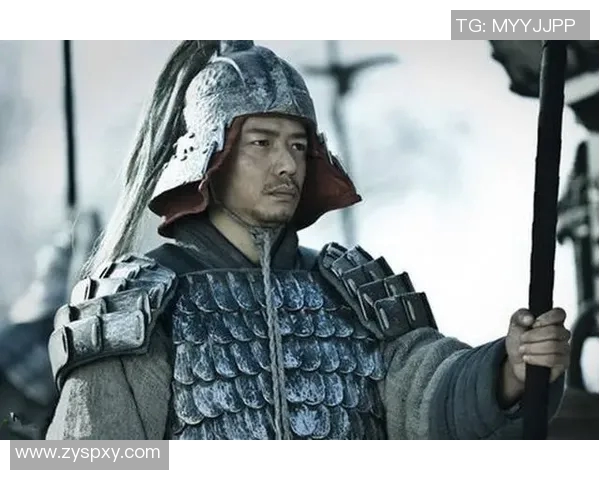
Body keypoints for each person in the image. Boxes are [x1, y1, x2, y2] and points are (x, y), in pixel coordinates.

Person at [45, 40, 570, 440]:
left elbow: (428, 390)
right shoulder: (139, 306)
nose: (287, 164)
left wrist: (509, 369)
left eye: (298, 145)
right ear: (211, 155)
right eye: (262, 142)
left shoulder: (351, 289)